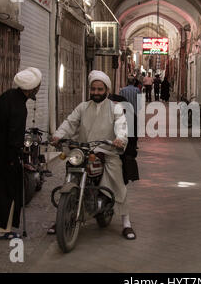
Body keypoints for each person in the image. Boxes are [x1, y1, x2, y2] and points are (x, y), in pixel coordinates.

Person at [49, 70, 136, 240]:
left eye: (100, 89)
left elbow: (121, 125)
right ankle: (61, 218)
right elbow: (70, 122)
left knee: (119, 184)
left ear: (107, 90)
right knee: (70, 176)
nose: (96, 92)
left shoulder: (116, 108)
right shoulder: (82, 107)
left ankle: (126, 223)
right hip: (84, 151)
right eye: (93, 89)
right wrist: (58, 135)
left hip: (107, 151)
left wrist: (119, 139)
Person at [0, 67, 42, 240]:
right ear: (32, 88)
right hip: (4, 156)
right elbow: (14, 137)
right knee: (9, 191)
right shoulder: (19, 107)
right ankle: (2, 229)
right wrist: (15, 159)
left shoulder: (7, 96)